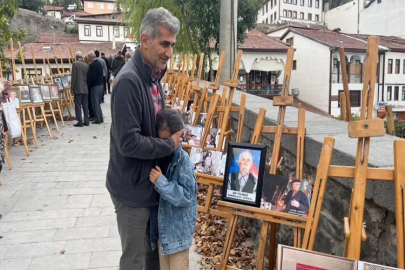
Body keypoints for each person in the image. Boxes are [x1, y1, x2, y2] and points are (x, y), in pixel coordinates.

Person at [106, 7, 182, 270]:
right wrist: (169, 144)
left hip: (149, 185)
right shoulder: (128, 81)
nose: (169, 52)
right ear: (145, 40)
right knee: (134, 261)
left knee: (152, 258)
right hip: (131, 189)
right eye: (164, 44)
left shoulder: (153, 76)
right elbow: (128, 143)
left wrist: (172, 124)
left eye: (172, 45)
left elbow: (151, 124)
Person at [149, 109, 197, 270]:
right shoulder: (158, 156)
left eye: (168, 141)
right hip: (163, 233)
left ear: (179, 136)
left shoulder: (183, 161)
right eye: (160, 141)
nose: (164, 146)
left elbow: (186, 196)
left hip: (178, 234)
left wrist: (161, 183)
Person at [71, 51, 90, 127]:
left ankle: (79, 121)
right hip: (85, 89)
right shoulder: (86, 65)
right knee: (85, 105)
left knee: (78, 105)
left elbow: (74, 78)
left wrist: (72, 88)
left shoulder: (75, 64)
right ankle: (86, 121)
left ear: (76, 57)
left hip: (78, 89)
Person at [87, 51, 104, 124]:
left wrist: (89, 83)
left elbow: (93, 77)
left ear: (91, 57)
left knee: (95, 103)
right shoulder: (99, 63)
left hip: (95, 86)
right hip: (101, 85)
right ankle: (100, 117)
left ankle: (98, 118)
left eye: (89, 58)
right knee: (98, 102)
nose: (88, 60)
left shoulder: (94, 65)